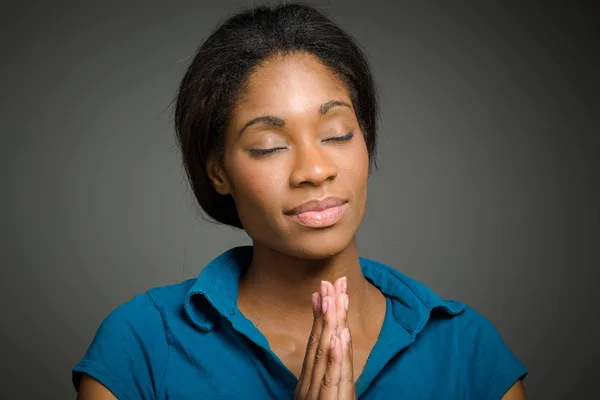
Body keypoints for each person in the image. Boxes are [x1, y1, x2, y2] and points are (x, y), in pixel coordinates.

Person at [73, 3, 528, 399]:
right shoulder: (140, 348)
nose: (314, 170)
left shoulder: (468, 353)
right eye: (269, 146)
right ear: (218, 172)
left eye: (337, 134)